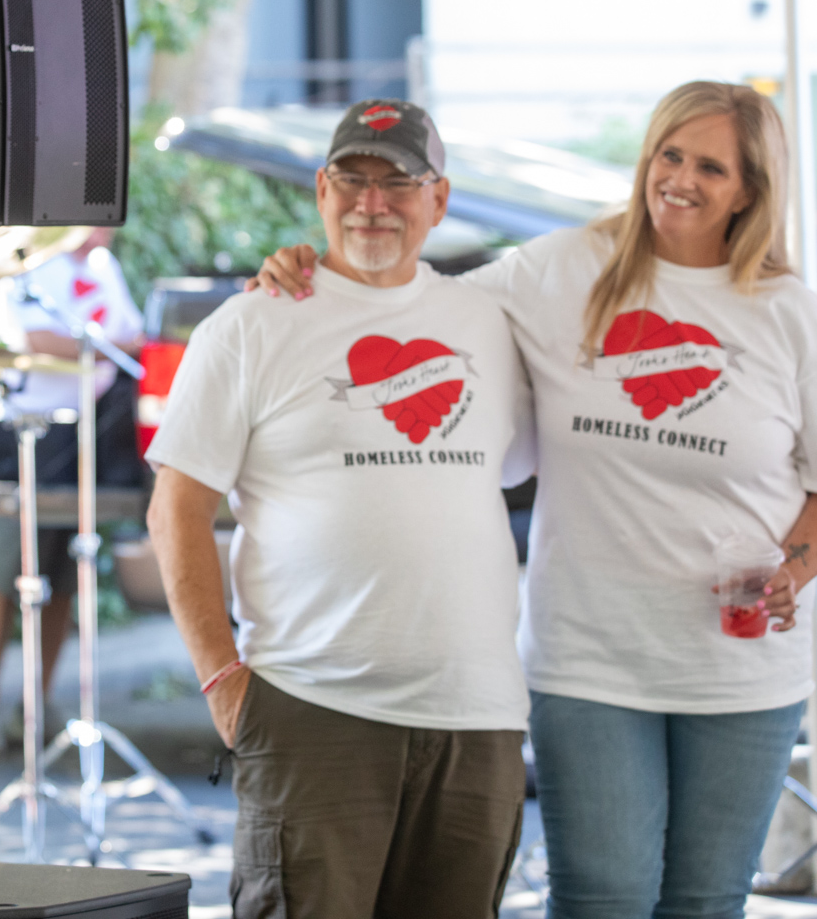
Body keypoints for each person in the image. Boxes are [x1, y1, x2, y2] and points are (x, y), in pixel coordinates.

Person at [252, 82, 817, 918]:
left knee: (705, 902)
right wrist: (313, 270)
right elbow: (420, 296)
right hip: (588, 659)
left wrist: (792, 570)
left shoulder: (789, 313)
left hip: (740, 673)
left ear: (750, 190)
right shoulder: (562, 270)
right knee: (601, 898)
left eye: (711, 167)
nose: (680, 180)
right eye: (669, 155)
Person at [148, 99, 535, 918]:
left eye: (397, 181)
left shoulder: (493, 321)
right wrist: (222, 678)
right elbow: (175, 509)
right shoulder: (251, 324)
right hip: (313, 710)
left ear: (439, 198)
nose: (372, 203)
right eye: (352, 179)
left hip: (478, 716)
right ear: (321, 189)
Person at [0, 226, 145, 756]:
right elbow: (40, 341)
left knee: (65, 574)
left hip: (87, 436)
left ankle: (36, 702)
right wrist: (110, 347)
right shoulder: (26, 264)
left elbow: (134, 337)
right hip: (26, 436)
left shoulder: (105, 269)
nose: (108, 226)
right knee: (5, 571)